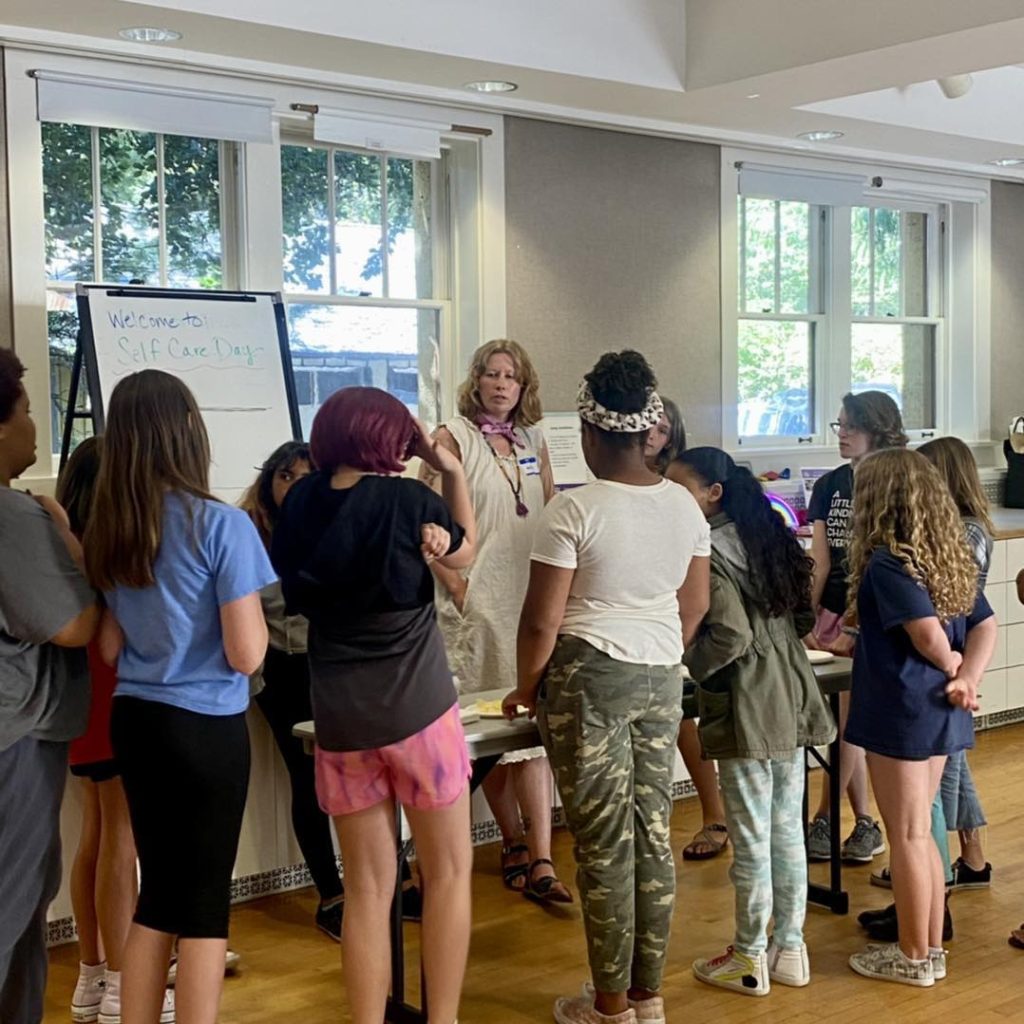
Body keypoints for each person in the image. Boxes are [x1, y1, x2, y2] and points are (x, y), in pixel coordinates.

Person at [503, 351, 711, 1024]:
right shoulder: (684, 504)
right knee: (651, 833)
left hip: (588, 677)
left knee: (601, 844)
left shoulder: (573, 512)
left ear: (590, 435)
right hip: (660, 676)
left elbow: (541, 621)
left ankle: (610, 1006)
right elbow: (695, 604)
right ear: (647, 432)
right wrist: (660, 649)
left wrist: (526, 688)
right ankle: (647, 998)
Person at [271, 387, 477, 1024]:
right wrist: (450, 468)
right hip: (421, 717)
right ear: (392, 438)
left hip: (340, 724)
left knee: (365, 889)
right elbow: (466, 555)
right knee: (445, 875)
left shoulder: (300, 501)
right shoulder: (410, 500)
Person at [84, 369, 276, 1024]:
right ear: (188, 432)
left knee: (157, 900)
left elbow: (109, 648)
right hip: (205, 732)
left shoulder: (115, 532)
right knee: (202, 909)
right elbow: (248, 653)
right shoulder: (222, 526)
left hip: (135, 723)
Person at [670, 448, 835, 996]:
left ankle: (747, 956)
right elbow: (804, 614)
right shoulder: (766, 537)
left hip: (746, 701)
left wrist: (686, 661)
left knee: (750, 837)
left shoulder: (709, 554)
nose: (671, 498)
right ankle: (790, 948)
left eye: (681, 488)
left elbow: (730, 636)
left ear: (712, 494)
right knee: (786, 829)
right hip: (792, 691)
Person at [423, 340, 570, 901]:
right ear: (476, 381)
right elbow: (423, 518)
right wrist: (457, 585)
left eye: (511, 376)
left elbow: (553, 509)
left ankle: (542, 856)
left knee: (531, 728)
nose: (502, 384)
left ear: (524, 384)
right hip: (476, 604)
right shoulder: (451, 437)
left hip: (528, 597)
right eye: (491, 374)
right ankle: (511, 839)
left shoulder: (535, 441)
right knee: (489, 728)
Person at [844, 448, 996, 987]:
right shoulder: (945, 555)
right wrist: (967, 677)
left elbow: (928, 635)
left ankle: (912, 957)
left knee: (907, 834)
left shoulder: (889, 561)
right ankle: (928, 951)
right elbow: (984, 625)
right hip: (938, 711)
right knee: (921, 834)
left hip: (902, 710)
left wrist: (953, 665)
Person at [0, 348, 99, 1024]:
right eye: (28, 411)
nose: (35, 429)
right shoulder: (14, 518)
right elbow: (74, 625)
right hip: (15, 736)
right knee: (13, 900)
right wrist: (68, 539)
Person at [58, 438, 158, 1024]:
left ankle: (92, 975)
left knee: (96, 833)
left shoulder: (63, 541)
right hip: (119, 697)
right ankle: (124, 984)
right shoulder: (113, 546)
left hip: (79, 704)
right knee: (120, 838)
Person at [806, 390, 907, 865]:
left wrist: (859, 622)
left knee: (848, 724)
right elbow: (821, 561)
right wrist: (805, 616)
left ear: (878, 428)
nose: (841, 433)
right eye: (838, 424)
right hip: (832, 612)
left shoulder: (899, 480)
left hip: (872, 615)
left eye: (850, 425)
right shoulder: (828, 484)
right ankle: (862, 821)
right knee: (844, 721)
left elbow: (888, 559)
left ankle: (827, 817)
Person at [645, 399, 730, 861]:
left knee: (684, 717)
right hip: (642, 610)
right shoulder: (613, 476)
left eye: (663, 428)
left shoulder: (681, 480)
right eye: (648, 426)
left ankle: (715, 814)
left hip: (682, 607)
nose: (653, 435)